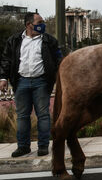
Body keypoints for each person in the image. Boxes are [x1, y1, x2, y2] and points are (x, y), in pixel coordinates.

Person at [0, 12, 63, 157]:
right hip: (21, 82)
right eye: (39, 22)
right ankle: (23, 147)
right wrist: (3, 78)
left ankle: (43, 146)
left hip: (41, 82)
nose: (43, 24)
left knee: (43, 115)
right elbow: (6, 60)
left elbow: (59, 60)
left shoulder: (49, 41)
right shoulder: (14, 40)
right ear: (29, 25)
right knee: (22, 116)